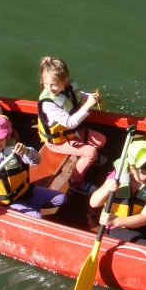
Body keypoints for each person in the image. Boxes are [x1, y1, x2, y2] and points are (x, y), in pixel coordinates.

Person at [36, 56, 108, 195]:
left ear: (65, 81)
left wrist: (90, 97)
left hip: (70, 134)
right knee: (90, 153)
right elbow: (70, 123)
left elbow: (78, 95)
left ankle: (86, 160)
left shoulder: (69, 87)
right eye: (46, 84)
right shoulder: (48, 104)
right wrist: (87, 105)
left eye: (54, 84)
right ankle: (76, 182)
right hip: (57, 141)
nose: (50, 88)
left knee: (101, 140)